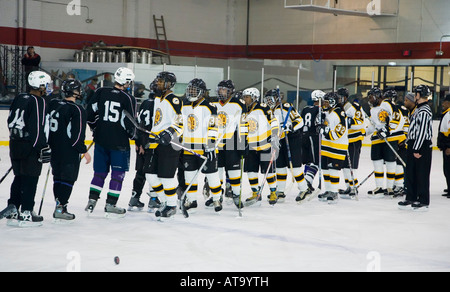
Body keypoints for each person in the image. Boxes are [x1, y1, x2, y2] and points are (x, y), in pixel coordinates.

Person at [0, 71, 52, 226]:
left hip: (15, 144)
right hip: (30, 145)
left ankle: (13, 206)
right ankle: (27, 212)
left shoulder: (19, 97)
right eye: (46, 85)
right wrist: (43, 147)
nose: (48, 88)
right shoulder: (39, 102)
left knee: (19, 176)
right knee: (30, 178)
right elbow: (36, 127)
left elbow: (10, 121)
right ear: (40, 85)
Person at [84, 67, 137, 217]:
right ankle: (110, 205)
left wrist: (96, 129)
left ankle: (91, 202)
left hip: (101, 140)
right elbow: (131, 124)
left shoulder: (101, 92)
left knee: (99, 172)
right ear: (126, 82)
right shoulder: (128, 98)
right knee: (117, 174)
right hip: (119, 143)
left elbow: (89, 114)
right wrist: (134, 136)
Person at [48, 79, 91, 222]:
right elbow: (76, 135)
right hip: (68, 150)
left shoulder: (53, 103)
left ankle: (58, 205)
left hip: (53, 148)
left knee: (57, 177)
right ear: (74, 92)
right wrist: (84, 150)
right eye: (78, 90)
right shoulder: (77, 109)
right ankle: (61, 208)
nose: (80, 92)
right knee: (68, 178)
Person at [180, 78, 223, 213]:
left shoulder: (209, 106)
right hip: (188, 148)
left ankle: (216, 198)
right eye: (190, 89)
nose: (191, 92)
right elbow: (179, 124)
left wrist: (211, 143)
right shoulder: (184, 105)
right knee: (189, 176)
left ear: (202, 92)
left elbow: (214, 126)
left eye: (194, 90)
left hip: (205, 149)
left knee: (212, 175)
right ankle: (191, 200)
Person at [146, 71, 183, 220]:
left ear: (169, 84)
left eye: (161, 81)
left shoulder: (173, 100)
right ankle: (164, 202)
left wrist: (169, 132)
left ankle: (172, 205)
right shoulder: (157, 98)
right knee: (150, 175)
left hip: (170, 144)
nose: (157, 83)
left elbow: (180, 123)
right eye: (157, 81)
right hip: (156, 142)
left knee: (166, 177)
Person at [263, 89, 312, 203]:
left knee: (295, 167)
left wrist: (290, 127)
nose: (268, 101)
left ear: (276, 98)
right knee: (280, 166)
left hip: (292, 139)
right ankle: (280, 191)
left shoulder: (285, 106)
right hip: (278, 141)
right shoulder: (269, 111)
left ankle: (304, 189)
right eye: (267, 99)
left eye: (270, 98)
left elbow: (300, 121)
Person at [206, 79, 247, 209]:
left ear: (231, 92)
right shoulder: (212, 104)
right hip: (216, 143)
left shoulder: (239, 104)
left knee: (234, 171)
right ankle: (217, 196)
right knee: (217, 171)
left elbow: (243, 125)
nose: (221, 92)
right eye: (220, 89)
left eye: (224, 89)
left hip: (232, 142)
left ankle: (236, 194)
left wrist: (243, 144)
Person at [241, 87, 279, 206]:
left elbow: (273, 121)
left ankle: (273, 192)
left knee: (268, 171)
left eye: (247, 97)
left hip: (265, 145)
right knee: (251, 171)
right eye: (244, 97)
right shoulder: (244, 110)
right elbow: (243, 127)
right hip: (251, 146)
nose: (245, 99)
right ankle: (255, 192)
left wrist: (274, 136)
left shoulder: (263, 107)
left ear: (254, 97)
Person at [398, 85, 433, 211]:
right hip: (414, 144)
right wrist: (407, 142)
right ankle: (411, 197)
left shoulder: (424, 110)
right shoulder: (418, 109)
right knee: (411, 172)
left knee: (421, 174)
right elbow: (414, 129)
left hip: (421, 145)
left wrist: (417, 149)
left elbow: (422, 132)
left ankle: (423, 201)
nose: (414, 95)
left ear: (419, 95)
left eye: (416, 93)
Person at [366, 87, 405, 198]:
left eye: (371, 97)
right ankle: (379, 187)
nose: (370, 100)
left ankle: (389, 187)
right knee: (377, 162)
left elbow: (397, 118)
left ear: (378, 96)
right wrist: (364, 132)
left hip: (390, 139)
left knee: (390, 162)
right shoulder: (372, 109)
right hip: (377, 139)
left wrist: (387, 131)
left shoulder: (387, 104)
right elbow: (374, 125)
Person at [128, 79, 158, 212]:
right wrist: (145, 143)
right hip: (150, 143)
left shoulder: (145, 103)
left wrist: (138, 142)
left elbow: (139, 125)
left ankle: (134, 197)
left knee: (140, 171)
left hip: (141, 142)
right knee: (153, 171)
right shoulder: (159, 104)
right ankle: (153, 199)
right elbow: (148, 126)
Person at [316, 92, 349, 204]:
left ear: (333, 102)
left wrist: (325, 132)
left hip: (337, 147)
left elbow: (339, 131)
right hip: (326, 147)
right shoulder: (328, 113)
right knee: (325, 169)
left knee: (333, 170)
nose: (324, 104)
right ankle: (329, 190)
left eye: (326, 102)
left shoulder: (340, 113)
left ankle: (334, 192)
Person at [337, 87, 365, 198]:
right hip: (345, 141)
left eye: (340, 97)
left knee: (352, 165)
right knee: (345, 166)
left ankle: (354, 187)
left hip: (354, 141)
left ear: (344, 97)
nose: (338, 99)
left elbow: (360, 123)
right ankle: (349, 186)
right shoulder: (340, 108)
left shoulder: (353, 107)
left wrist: (349, 122)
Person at [301, 90, 325, 190]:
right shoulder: (320, 110)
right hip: (313, 137)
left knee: (308, 161)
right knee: (316, 162)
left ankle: (307, 184)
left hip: (303, 137)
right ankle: (307, 180)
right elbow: (319, 125)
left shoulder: (305, 109)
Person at [437, 94, 450, 198]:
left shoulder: (449, 114)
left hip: (448, 146)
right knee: (446, 168)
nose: (442, 104)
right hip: (446, 145)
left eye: (444, 102)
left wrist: (449, 146)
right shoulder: (446, 114)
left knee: (448, 168)